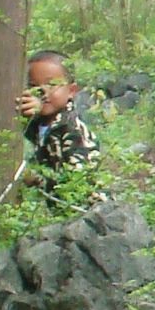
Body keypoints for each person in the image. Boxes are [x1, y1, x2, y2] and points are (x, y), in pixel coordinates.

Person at [18, 50, 104, 208]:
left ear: (71, 91)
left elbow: (76, 181)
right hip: (62, 209)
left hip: (89, 213)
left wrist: (37, 179)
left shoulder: (71, 129)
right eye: (33, 86)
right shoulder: (40, 124)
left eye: (51, 85)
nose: (42, 92)